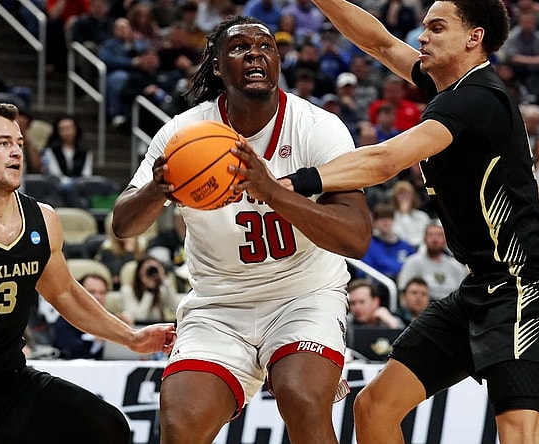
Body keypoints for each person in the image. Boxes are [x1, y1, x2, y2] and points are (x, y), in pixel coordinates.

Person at [232, 1, 539, 442]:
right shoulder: (449, 88)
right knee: (374, 408)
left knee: (520, 434)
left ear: (474, 38)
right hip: (481, 285)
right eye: (424, 27)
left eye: (436, 28)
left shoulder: (478, 99)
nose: (422, 37)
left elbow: (385, 159)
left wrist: (286, 184)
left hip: (525, 283)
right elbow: (378, 42)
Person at [111, 16, 371, 444]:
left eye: (265, 46)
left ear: (278, 61)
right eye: (239, 47)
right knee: (180, 425)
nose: (254, 53)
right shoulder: (184, 134)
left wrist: (272, 190)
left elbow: (356, 237)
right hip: (218, 303)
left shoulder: (317, 128)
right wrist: (159, 188)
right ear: (216, 66)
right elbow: (124, 223)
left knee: (302, 398)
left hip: (302, 295)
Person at [0, 102, 176, 442]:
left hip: (9, 381)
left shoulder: (44, 220)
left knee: (108, 428)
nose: (16, 152)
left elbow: (65, 293)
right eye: (3, 143)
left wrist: (131, 337)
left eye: (19, 143)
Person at [397, 222, 468, 301]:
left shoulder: (456, 265)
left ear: (445, 240)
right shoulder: (412, 262)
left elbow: (463, 294)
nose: (435, 239)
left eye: (439, 235)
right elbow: (404, 292)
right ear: (424, 239)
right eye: (431, 235)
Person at [52, 272, 111, 360]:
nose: (97, 297)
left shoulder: (110, 320)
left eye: (102, 293)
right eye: (92, 292)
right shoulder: (66, 318)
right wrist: (96, 340)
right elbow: (69, 351)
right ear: (79, 294)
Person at [118, 256, 181, 323]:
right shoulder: (127, 291)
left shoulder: (161, 290)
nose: (151, 273)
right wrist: (149, 290)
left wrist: (164, 279)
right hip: (138, 328)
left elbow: (175, 307)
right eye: (148, 270)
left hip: (158, 328)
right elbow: (139, 318)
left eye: (154, 269)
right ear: (139, 273)